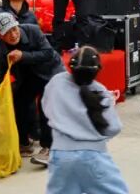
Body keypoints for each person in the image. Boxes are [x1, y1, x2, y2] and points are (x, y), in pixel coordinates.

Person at [43, 45, 128, 194]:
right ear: (97, 70)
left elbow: (46, 107)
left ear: (70, 65)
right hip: (94, 156)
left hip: (61, 155)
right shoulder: (100, 91)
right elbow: (114, 127)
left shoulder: (56, 83)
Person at [0, 11, 65, 167]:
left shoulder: (33, 30)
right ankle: (24, 141)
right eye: (7, 32)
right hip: (29, 76)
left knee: (45, 104)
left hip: (51, 72)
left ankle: (49, 148)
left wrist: (23, 55)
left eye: (14, 29)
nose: (13, 35)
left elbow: (49, 53)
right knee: (19, 100)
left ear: (18, 25)